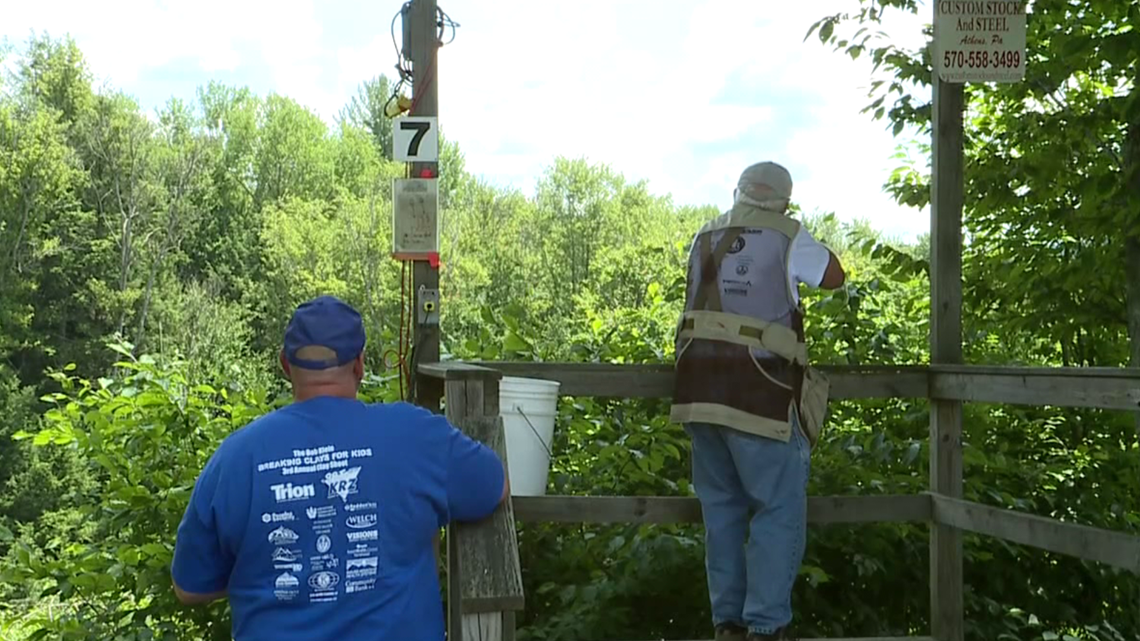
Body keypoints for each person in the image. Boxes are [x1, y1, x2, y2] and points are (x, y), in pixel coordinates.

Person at [171, 295, 509, 640]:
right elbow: (494, 485)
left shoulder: (236, 457)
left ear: (285, 365)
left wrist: (279, 571)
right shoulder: (416, 434)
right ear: (360, 364)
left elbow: (189, 587)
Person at [669, 162, 845, 641]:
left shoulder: (704, 236)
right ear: (785, 202)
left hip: (698, 393)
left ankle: (727, 626)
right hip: (760, 394)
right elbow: (834, 275)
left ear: (738, 193)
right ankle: (766, 628)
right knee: (777, 510)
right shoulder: (788, 236)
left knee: (721, 512)